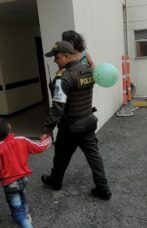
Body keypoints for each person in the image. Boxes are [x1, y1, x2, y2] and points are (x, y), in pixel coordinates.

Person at [40, 41, 111, 200]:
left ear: (66, 56)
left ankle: (55, 181)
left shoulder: (63, 77)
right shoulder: (87, 70)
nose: (55, 61)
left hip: (70, 127)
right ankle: (103, 188)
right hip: (88, 122)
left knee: (61, 156)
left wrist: (47, 129)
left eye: (57, 57)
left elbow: (57, 108)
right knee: (94, 157)